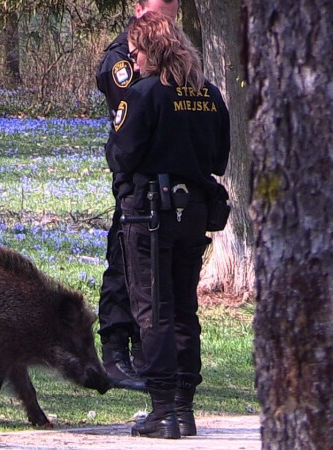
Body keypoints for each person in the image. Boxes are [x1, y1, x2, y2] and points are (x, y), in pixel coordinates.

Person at [108, 12, 230, 439]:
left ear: (152, 51)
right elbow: (219, 160)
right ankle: (184, 407)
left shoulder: (142, 95)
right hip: (194, 213)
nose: (134, 62)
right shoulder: (209, 95)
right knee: (183, 309)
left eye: (137, 52)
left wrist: (126, 192)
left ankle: (162, 411)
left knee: (153, 311)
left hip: (150, 215)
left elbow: (121, 155)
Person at [94, 0, 180, 392]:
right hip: (137, 178)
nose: (171, 7)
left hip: (170, 178)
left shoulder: (177, 47)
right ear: (138, 6)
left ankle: (152, 354)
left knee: (162, 274)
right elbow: (135, 110)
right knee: (124, 264)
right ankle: (115, 352)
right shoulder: (122, 58)